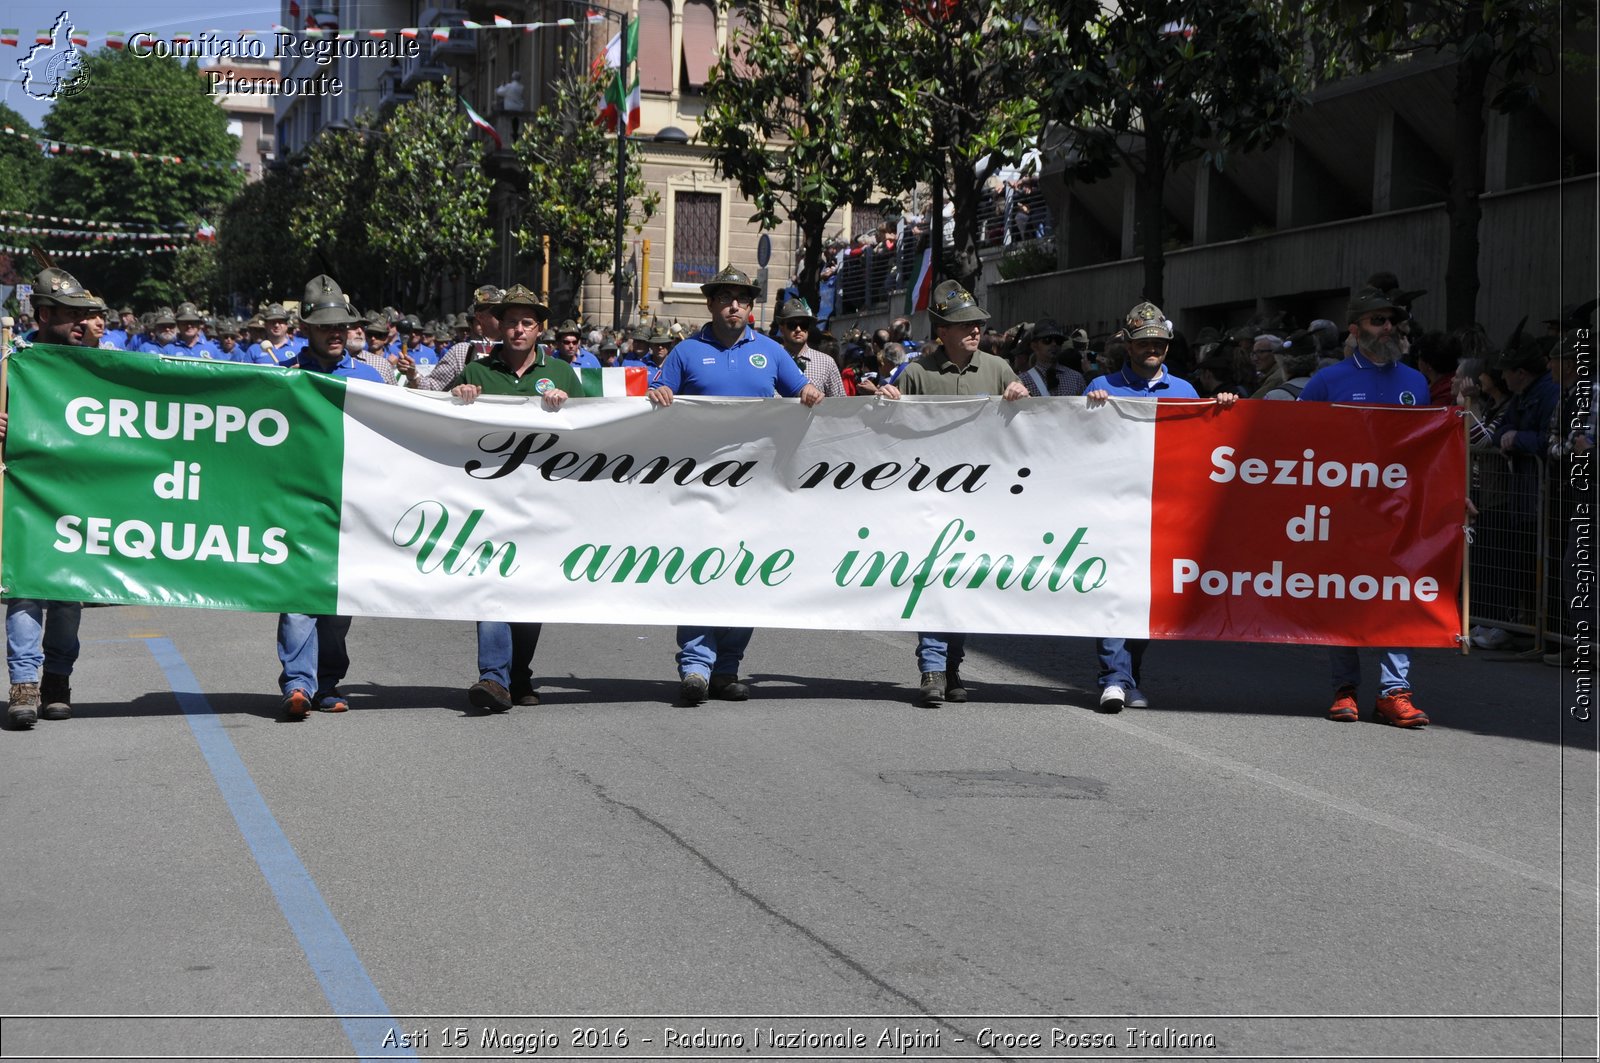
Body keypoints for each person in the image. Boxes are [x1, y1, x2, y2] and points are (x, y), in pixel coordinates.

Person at [647, 265, 824, 705]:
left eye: (742, 299)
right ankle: (695, 666)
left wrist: (808, 395)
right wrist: (659, 395)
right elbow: (653, 400)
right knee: (695, 572)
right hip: (698, 486)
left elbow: (803, 393)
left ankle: (727, 668)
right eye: (725, 298)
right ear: (710, 304)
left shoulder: (772, 352)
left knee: (745, 576)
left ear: (751, 306)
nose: (734, 306)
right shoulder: (685, 353)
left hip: (756, 489)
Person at [1084, 302, 1238, 713]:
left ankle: (1131, 677)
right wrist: (1089, 407)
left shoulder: (1186, 391)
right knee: (1113, 593)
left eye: (1159, 342)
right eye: (1144, 342)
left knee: (1145, 599)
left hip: (1162, 512)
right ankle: (1113, 678)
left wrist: (1220, 407)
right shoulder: (1102, 384)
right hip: (1113, 508)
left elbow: (1205, 446)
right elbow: (1075, 443)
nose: (1152, 348)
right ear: (1128, 346)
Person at [1298, 285, 1432, 726]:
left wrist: (1452, 496)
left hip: (1398, 511)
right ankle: (1345, 688)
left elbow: (1430, 453)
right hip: (1342, 512)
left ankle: (1395, 691)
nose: (1389, 327)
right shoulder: (1327, 381)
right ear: (1356, 330)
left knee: (1397, 599)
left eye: (1392, 320)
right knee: (1344, 598)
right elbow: (1291, 442)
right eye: (1378, 320)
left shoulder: (1415, 382)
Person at [892, 280, 1027, 706]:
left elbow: (1032, 428)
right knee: (933, 580)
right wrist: (886, 398)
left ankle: (952, 666)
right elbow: (888, 431)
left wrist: (1023, 397)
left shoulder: (998, 369)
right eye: (963, 324)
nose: (973, 330)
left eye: (977, 323)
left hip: (981, 499)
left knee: (963, 582)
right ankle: (931, 667)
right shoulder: (916, 373)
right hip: (930, 496)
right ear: (941, 331)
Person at [444, 285, 579, 711]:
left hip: (543, 502)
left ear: (540, 329)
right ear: (497, 326)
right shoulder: (478, 373)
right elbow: (441, 427)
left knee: (530, 590)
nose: (518, 330)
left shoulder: (560, 373)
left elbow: (597, 432)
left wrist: (569, 404)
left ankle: (520, 674)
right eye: (510, 322)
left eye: (527, 322)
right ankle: (494, 677)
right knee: (491, 583)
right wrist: (458, 399)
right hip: (488, 502)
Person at [274, 276, 385, 720]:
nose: (336, 333)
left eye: (342, 326)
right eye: (325, 326)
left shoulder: (371, 377)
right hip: (297, 503)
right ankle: (297, 683)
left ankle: (328, 682)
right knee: (300, 595)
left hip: (351, 506)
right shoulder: (282, 375)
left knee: (338, 604)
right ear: (306, 328)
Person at [6, 268, 101, 728]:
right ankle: (24, 683)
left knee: (67, 597)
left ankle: (58, 679)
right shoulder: (12, 359)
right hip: (25, 497)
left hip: (77, 498)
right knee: (26, 592)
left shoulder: (93, 364)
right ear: (44, 315)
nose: (82, 323)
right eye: (71, 315)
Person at [416, 285, 503, 390]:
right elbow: (432, 387)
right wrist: (413, 375)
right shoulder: (462, 352)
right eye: (498, 311)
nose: (504, 315)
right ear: (480, 316)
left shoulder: (519, 347)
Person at [774, 296, 845, 396]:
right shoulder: (773, 360)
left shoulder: (826, 362)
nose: (798, 329)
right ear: (781, 328)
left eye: (803, 324)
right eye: (792, 325)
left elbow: (839, 403)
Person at [1019, 317, 1087, 396]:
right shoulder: (1022, 382)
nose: (1054, 344)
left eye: (1058, 340)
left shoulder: (1076, 379)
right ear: (1034, 346)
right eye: (1047, 340)